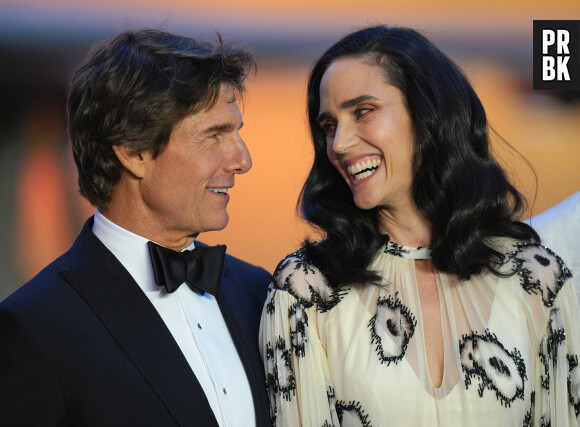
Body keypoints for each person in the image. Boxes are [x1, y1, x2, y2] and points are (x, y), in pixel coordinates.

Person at [260, 25, 580, 426]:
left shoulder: (535, 278)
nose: (338, 144)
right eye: (328, 126)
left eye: (363, 111)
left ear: (429, 115)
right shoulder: (306, 291)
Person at [0, 29, 271, 426]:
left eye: (237, 132)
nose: (242, 160)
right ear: (134, 151)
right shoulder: (35, 327)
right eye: (215, 134)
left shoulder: (258, 293)